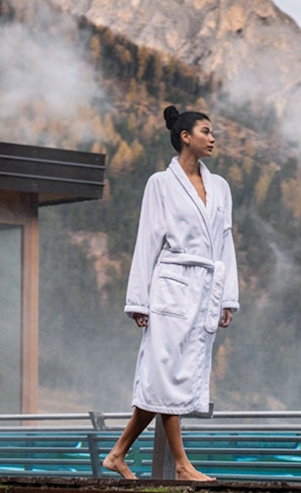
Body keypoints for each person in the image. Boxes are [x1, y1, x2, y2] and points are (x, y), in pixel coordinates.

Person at [101, 105, 240, 481]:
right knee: (164, 374)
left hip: (204, 289)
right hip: (170, 288)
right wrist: (139, 300)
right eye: (206, 131)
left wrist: (227, 297)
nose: (213, 139)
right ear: (185, 136)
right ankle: (181, 465)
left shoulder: (220, 188)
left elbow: (225, 245)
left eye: (213, 133)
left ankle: (117, 454)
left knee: (171, 377)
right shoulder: (160, 184)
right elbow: (148, 239)